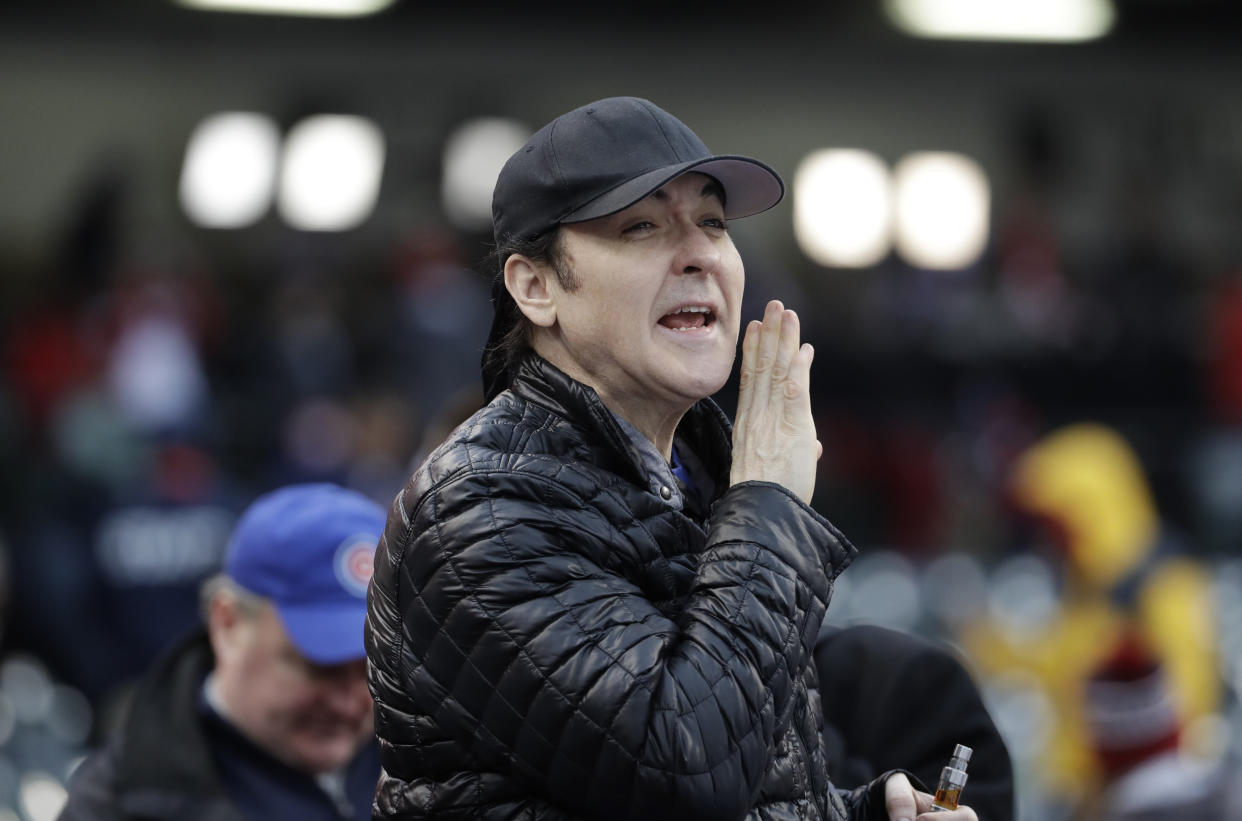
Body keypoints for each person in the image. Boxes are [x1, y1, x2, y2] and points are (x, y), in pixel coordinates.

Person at [366, 96, 977, 820]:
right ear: (535, 286)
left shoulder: (701, 477)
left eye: (713, 222)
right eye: (642, 226)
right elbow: (683, 771)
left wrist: (859, 814)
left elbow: (731, 770)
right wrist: (769, 509)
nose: (699, 253)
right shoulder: (480, 512)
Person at [59, 482, 385, 820]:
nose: (350, 702)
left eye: (376, 670)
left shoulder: (427, 761)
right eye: (322, 667)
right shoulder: (119, 805)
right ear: (227, 623)